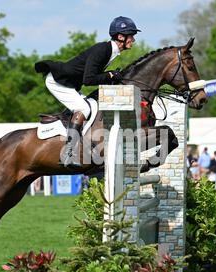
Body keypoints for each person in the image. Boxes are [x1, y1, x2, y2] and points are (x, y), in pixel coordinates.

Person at [35, 16, 141, 168]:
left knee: (93, 106)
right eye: (131, 35)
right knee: (84, 108)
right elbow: (88, 80)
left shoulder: (111, 51)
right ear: (120, 36)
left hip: (69, 83)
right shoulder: (103, 49)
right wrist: (109, 75)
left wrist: (111, 77)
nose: (134, 39)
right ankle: (68, 153)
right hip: (58, 82)